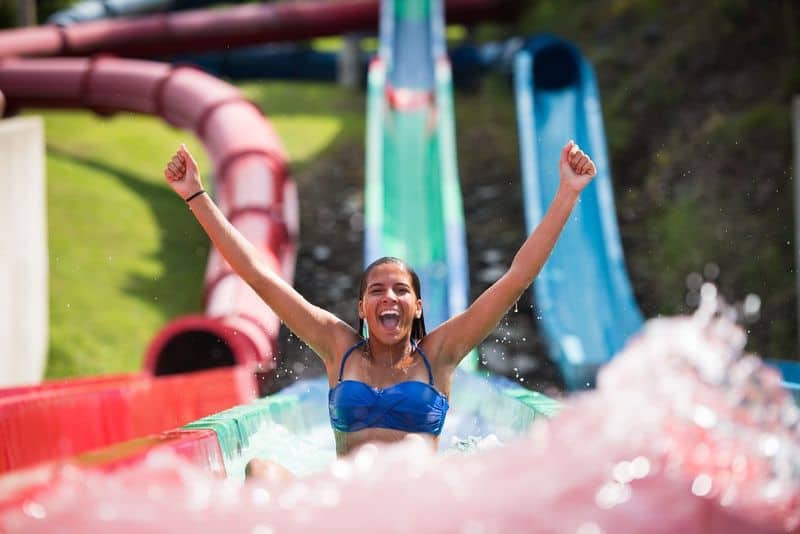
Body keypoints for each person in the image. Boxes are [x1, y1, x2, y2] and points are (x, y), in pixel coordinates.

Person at [163, 140, 597, 461]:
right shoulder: (337, 346)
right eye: (376, 290)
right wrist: (196, 196)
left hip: (414, 503)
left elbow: (516, 279)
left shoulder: (440, 354)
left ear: (418, 307)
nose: (389, 297)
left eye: (401, 290)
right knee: (260, 468)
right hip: (351, 499)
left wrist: (567, 193)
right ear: (361, 308)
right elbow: (259, 277)